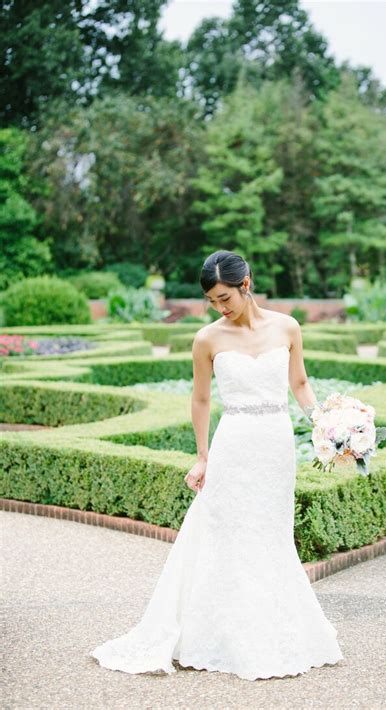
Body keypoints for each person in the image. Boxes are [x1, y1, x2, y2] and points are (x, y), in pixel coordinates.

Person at [89, 250, 344, 681]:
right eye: (212, 300)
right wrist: (203, 455)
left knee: (271, 534)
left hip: (276, 445)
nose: (219, 307)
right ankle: (219, 634)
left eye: (224, 297)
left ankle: (274, 628)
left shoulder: (287, 327)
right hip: (235, 443)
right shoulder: (208, 338)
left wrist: (327, 428)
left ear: (246, 284)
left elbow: (299, 383)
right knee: (227, 534)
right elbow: (202, 398)